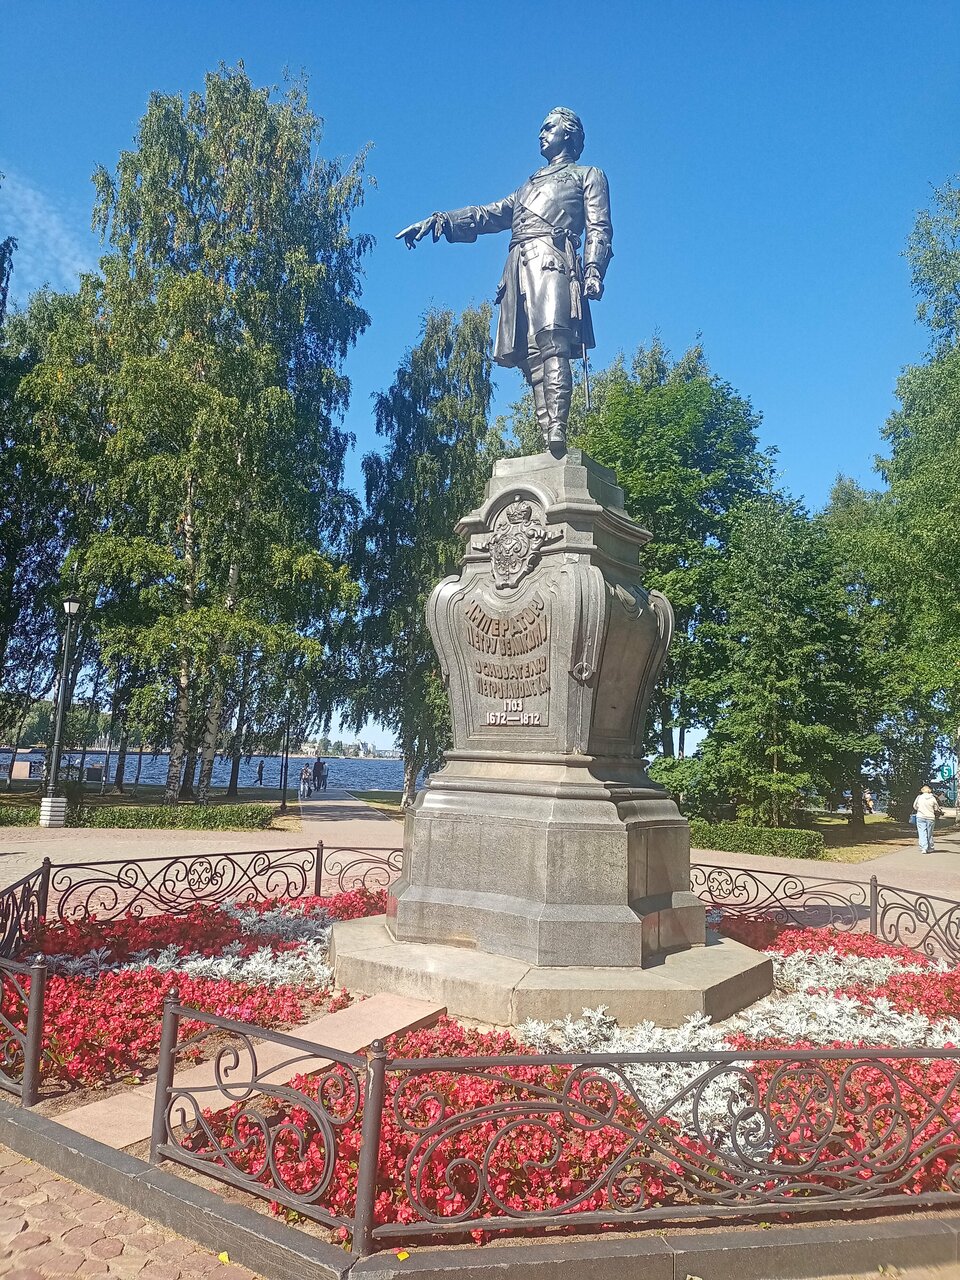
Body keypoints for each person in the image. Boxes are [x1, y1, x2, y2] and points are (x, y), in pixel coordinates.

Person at [397, 108, 612, 456]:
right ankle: (547, 435)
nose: (541, 133)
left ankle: (558, 426)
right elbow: (488, 214)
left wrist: (594, 270)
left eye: (549, 128)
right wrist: (440, 221)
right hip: (518, 268)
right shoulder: (526, 187)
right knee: (531, 357)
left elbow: (599, 228)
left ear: (569, 134)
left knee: (553, 342)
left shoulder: (587, 175)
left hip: (553, 261)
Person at [913, 784, 944, 853]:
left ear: (922, 790)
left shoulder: (919, 797)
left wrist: (919, 809)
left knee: (922, 832)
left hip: (920, 816)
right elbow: (936, 808)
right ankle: (930, 847)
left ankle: (924, 847)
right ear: (929, 791)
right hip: (930, 817)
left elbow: (915, 806)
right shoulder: (932, 798)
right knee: (929, 833)